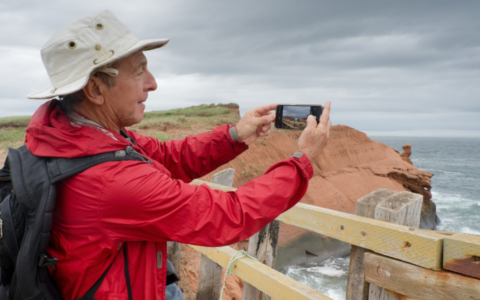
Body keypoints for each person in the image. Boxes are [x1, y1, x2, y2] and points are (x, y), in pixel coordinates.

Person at [25, 10, 331, 300]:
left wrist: (236, 135)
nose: (153, 83)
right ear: (94, 90)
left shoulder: (73, 135)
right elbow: (227, 216)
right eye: (139, 71)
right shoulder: (111, 180)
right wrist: (300, 162)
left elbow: (165, 156)